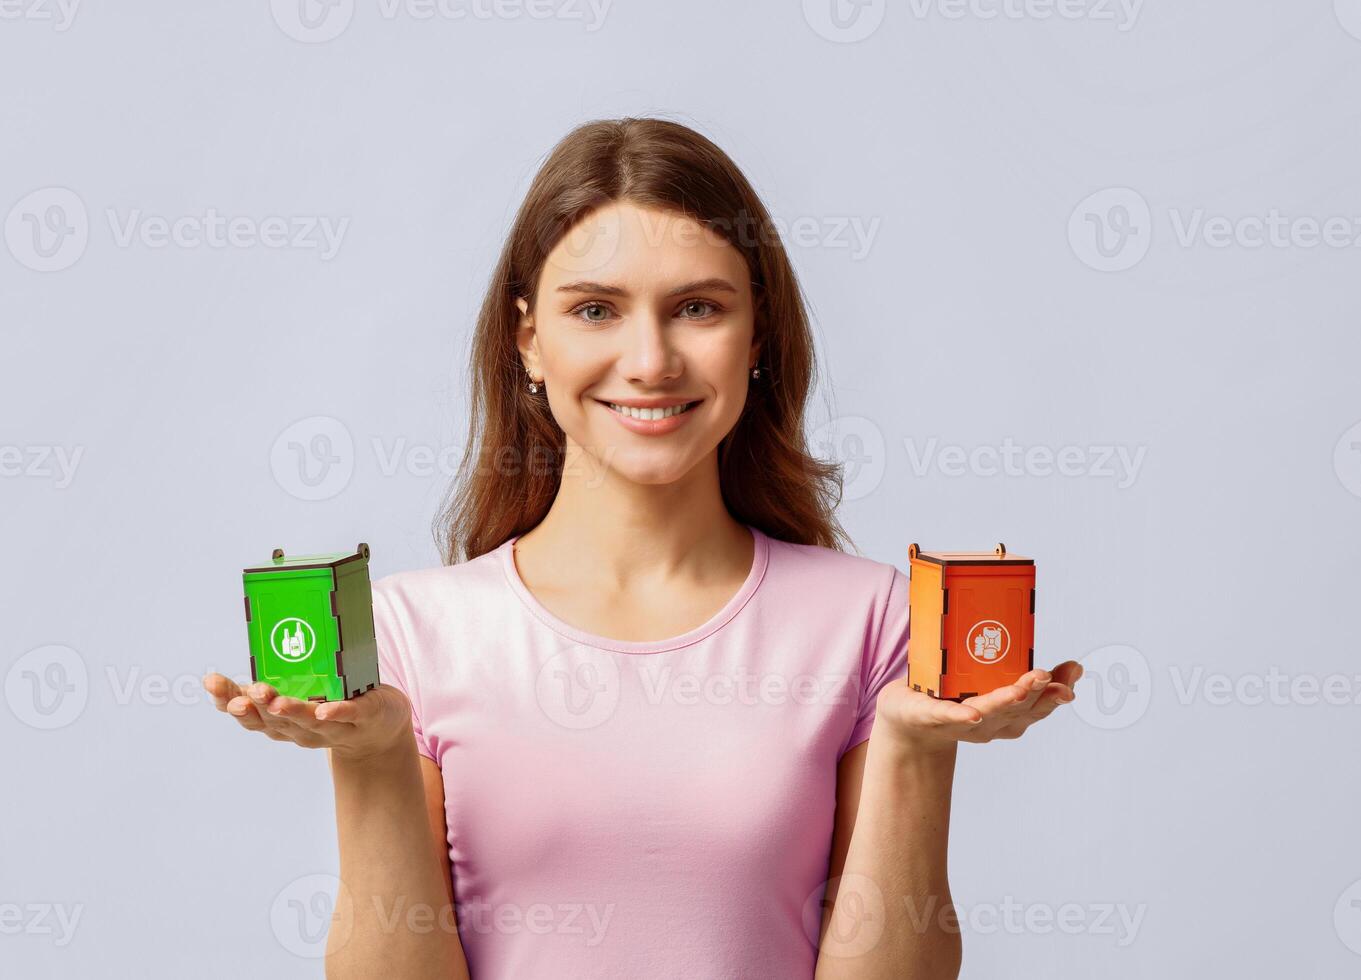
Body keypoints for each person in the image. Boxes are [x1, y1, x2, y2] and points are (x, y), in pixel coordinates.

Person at [204, 116, 1081, 980]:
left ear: (758, 335)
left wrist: (915, 748)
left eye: (697, 307)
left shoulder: (872, 618)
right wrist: (373, 759)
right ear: (529, 341)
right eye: (595, 310)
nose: (651, 360)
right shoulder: (410, 633)